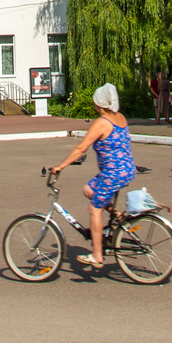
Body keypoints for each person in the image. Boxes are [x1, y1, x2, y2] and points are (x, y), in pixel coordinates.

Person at [50, 82, 134, 270]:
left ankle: (97, 256)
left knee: (94, 209)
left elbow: (81, 148)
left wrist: (61, 166)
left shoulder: (102, 123)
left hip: (113, 173)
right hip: (126, 169)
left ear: (100, 104)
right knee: (89, 190)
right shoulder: (119, 117)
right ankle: (118, 217)